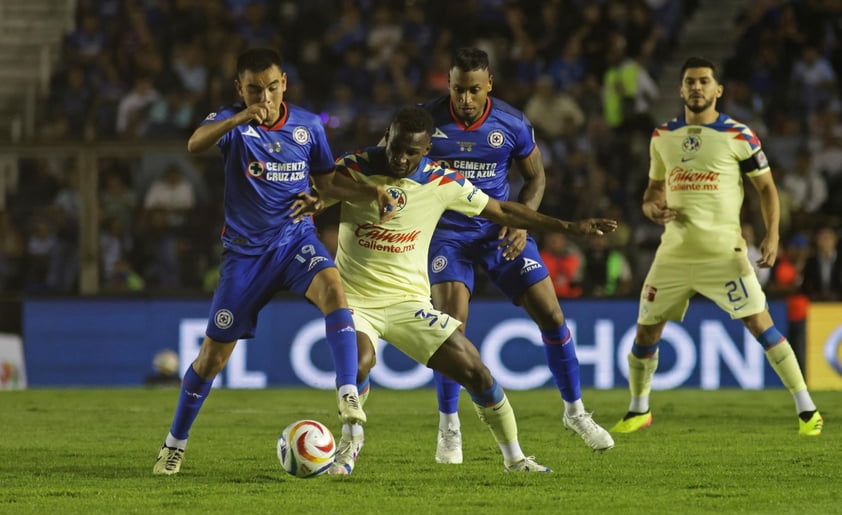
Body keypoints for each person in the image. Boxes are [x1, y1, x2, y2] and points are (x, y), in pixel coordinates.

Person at [308, 105, 617, 475]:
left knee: (477, 372)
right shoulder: (354, 167)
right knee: (359, 361)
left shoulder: (443, 181)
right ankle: (349, 445)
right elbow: (315, 194)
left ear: (426, 151)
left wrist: (569, 227)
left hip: (409, 303)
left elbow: (502, 210)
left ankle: (515, 458)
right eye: (396, 147)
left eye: (412, 152)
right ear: (387, 137)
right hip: (355, 300)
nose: (401, 158)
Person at [153, 48, 397, 475]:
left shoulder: (307, 126)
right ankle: (175, 443)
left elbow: (327, 184)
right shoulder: (231, 122)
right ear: (239, 89)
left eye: (270, 87)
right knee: (212, 357)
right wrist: (238, 118)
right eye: (253, 90)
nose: (263, 97)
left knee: (334, 290)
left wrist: (366, 193)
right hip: (245, 256)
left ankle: (347, 393)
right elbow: (194, 143)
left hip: (294, 241)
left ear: (284, 82)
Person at [418, 47, 615, 463]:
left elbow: (536, 177)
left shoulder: (511, 122)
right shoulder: (425, 121)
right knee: (450, 328)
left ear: (489, 84)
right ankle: (449, 425)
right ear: (448, 85)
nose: (465, 99)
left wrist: (523, 223)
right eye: (457, 90)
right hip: (446, 235)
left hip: (500, 230)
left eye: (473, 90)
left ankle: (575, 413)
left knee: (552, 314)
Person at [611, 56, 823, 437]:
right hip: (673, 254)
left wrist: (772, 235)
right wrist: (649, 205)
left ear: (718, 90)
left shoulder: (740, 135)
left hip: (724, 255)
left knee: (761, 325)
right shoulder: (662, 136)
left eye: (704, 81)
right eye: (690, 81)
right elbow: (653, 189)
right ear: (680, 89)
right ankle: (639, 409)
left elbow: (768, 189)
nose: (696, 87)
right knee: (645, 332)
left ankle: (806, 408)